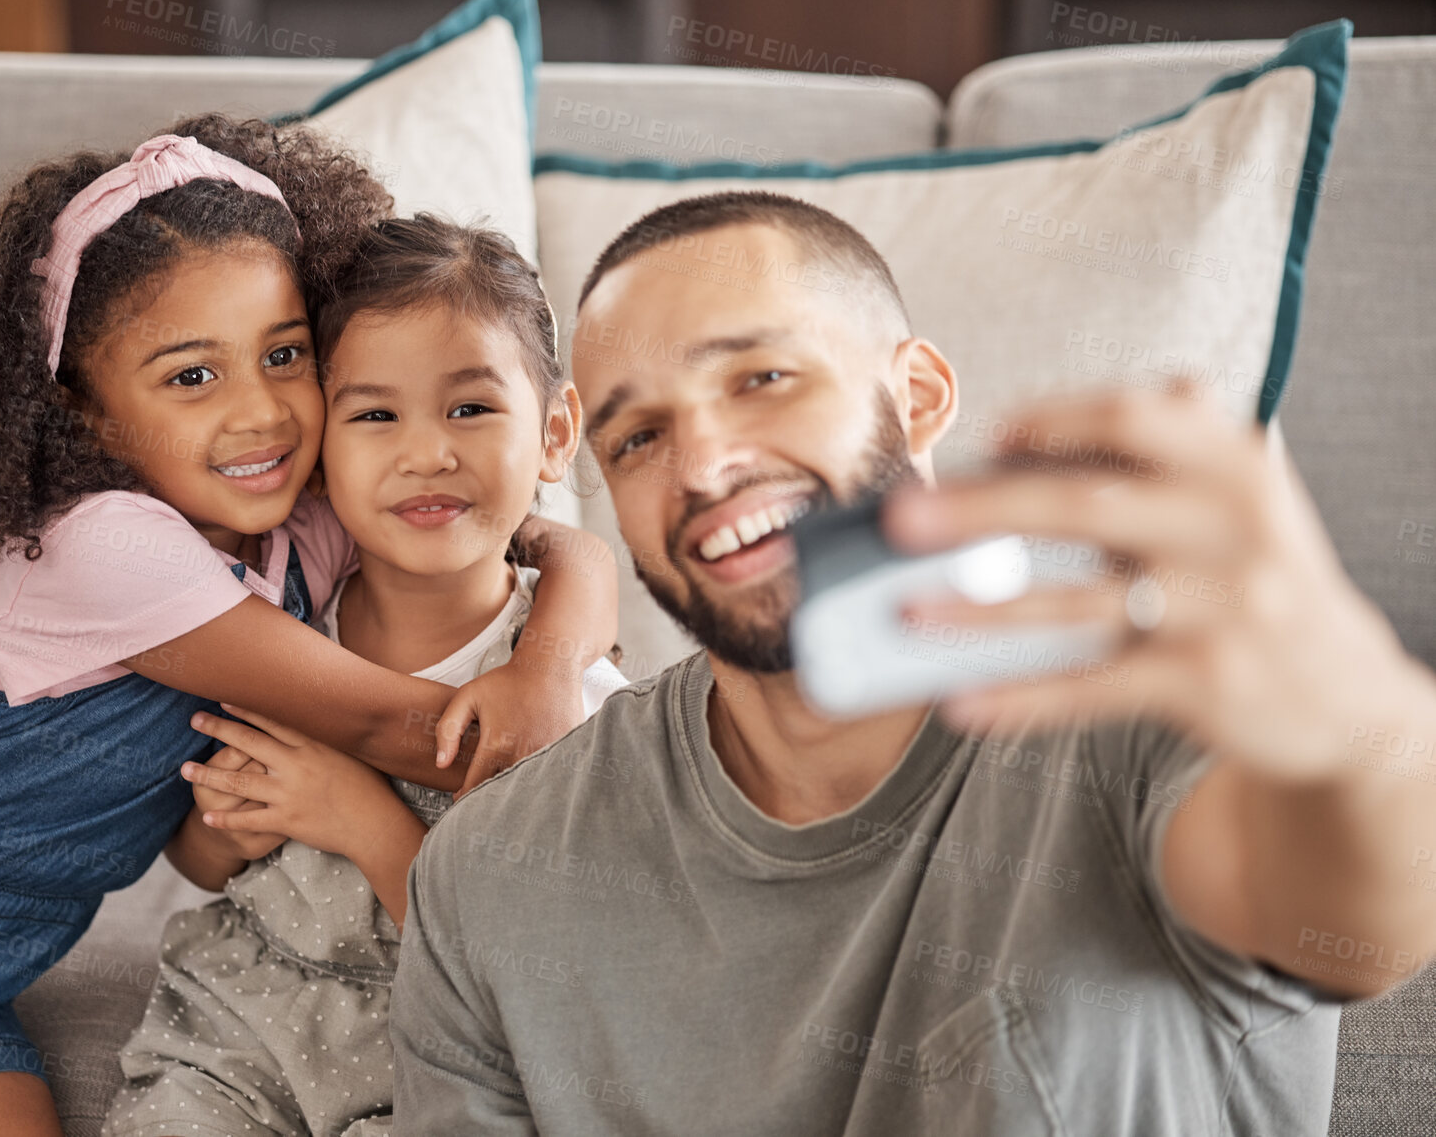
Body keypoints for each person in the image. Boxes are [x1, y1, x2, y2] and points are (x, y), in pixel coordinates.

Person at [388, 190, 1436, 1134]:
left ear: (922, 396)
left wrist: (1362, 728)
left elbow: (1353, 927)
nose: (702, 464)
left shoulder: (1143, 697)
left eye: (763, 378)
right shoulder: (493, 880)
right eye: (639, 439)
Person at [0, 118, 616, 1137]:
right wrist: (548, 702)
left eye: (285, 355)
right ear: (88, 414)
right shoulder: (103, 547)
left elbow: (547, 541)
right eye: (192, 376)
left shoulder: (301, 525)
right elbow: (422, 740)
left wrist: (551, 658)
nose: (261, 413)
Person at [107, 214, 629, 1137]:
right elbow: (198, 852)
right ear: (316, 450)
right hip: (246, 1023)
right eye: (375, 414)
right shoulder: (284, 626)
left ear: (554, 434)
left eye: (470, 408)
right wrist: (227, 827)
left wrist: (357, 815)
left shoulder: (569, 703)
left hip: (455, 1049)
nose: (426, 452)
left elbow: (531, 968)